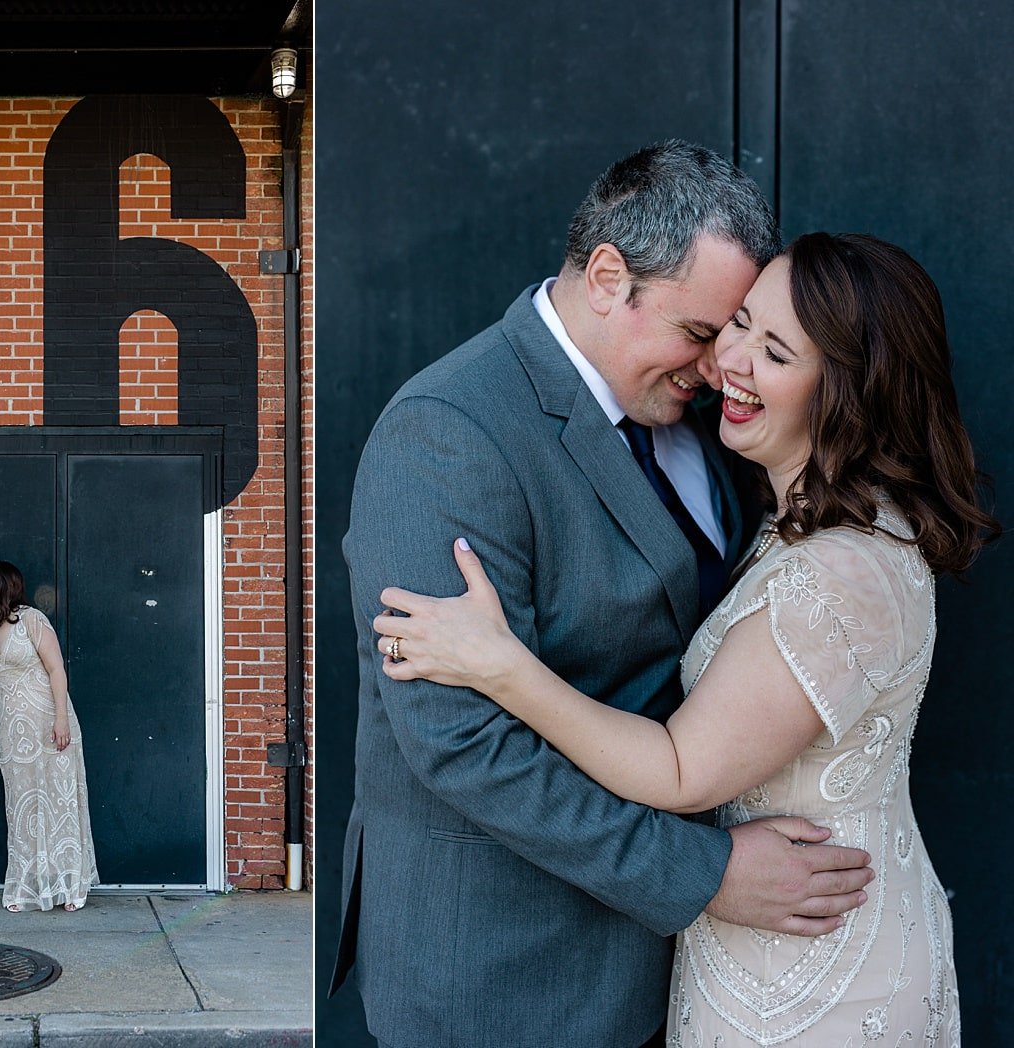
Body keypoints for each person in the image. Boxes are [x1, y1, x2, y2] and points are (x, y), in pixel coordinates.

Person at [375, 233, 995, 1044]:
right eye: (730, 323)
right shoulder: (787, 509)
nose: (725, 362)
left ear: (846, 393)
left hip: (810, 974)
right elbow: (456, 741)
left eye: (772, 349)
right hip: (709, 952)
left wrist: (501, 665)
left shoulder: (838, 570)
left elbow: (678, 768)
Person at [331, 142, 877, 1048]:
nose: (719, 368)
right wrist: (704, 875)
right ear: (607, 277)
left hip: (673, 972)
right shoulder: (448, 433)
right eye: (702, 332)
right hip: (504, 973)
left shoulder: (698, 424)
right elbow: (465, 745)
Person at [0, 560, 98, 912]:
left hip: (51, 723)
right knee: (21, 809)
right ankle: (25, 887)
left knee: (59, 803)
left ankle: (70, 885)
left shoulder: (32, 620)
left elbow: (56, 669)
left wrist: (62, 719)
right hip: (12, 732)